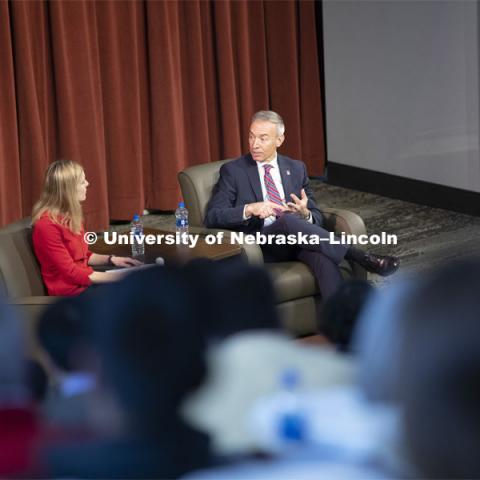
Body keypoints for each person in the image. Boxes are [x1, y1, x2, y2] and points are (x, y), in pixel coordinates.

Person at [205, 110, 399, 299]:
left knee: (324, 259)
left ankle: (343, 325)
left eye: (263, 138)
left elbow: (317, 216)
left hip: (298, 241)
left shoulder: (296, 168)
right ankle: (359, 256)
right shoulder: (233, 171)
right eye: (251, 137)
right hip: (260, 244)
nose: (255, 144)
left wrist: (306, 214)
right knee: (287, 221)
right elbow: (213, 216)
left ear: (279, 140)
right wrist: (250, 209)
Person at [32, 160, 141, 296]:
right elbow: (71, 273)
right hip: (70, 293)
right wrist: (121, 277)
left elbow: (83, 256)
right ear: (69, 189)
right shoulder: (47, 226)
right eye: (83, 182)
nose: (88, 184)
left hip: (84, 284)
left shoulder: (70, 216)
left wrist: (111, 259)